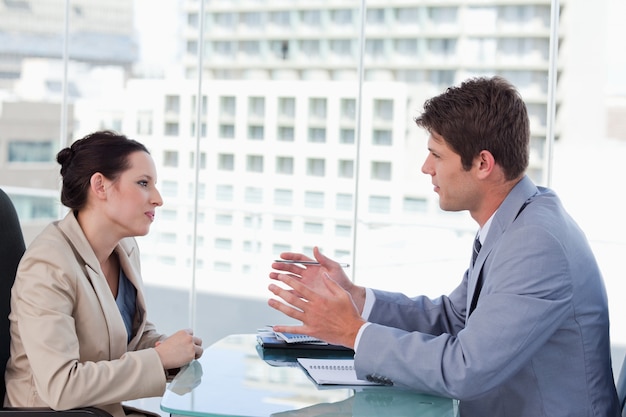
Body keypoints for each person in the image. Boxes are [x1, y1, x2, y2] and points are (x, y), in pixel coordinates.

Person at [267, 76, 620, 416]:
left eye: (436, 155)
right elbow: (456, 318)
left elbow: (465, 368)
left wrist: (351, 331)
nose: (425, 168)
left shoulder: (537, 244)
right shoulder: (515, 222)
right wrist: (357, 298)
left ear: (483, 163)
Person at [4, 131, 203, 417]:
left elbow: (125, 336)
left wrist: (169, 350)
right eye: (143, 183)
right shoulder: (48, 266)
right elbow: (62, 386)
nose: (157, 199)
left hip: (101, 411)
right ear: (100, 185)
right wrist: (158, 358)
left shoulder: (125, 248)